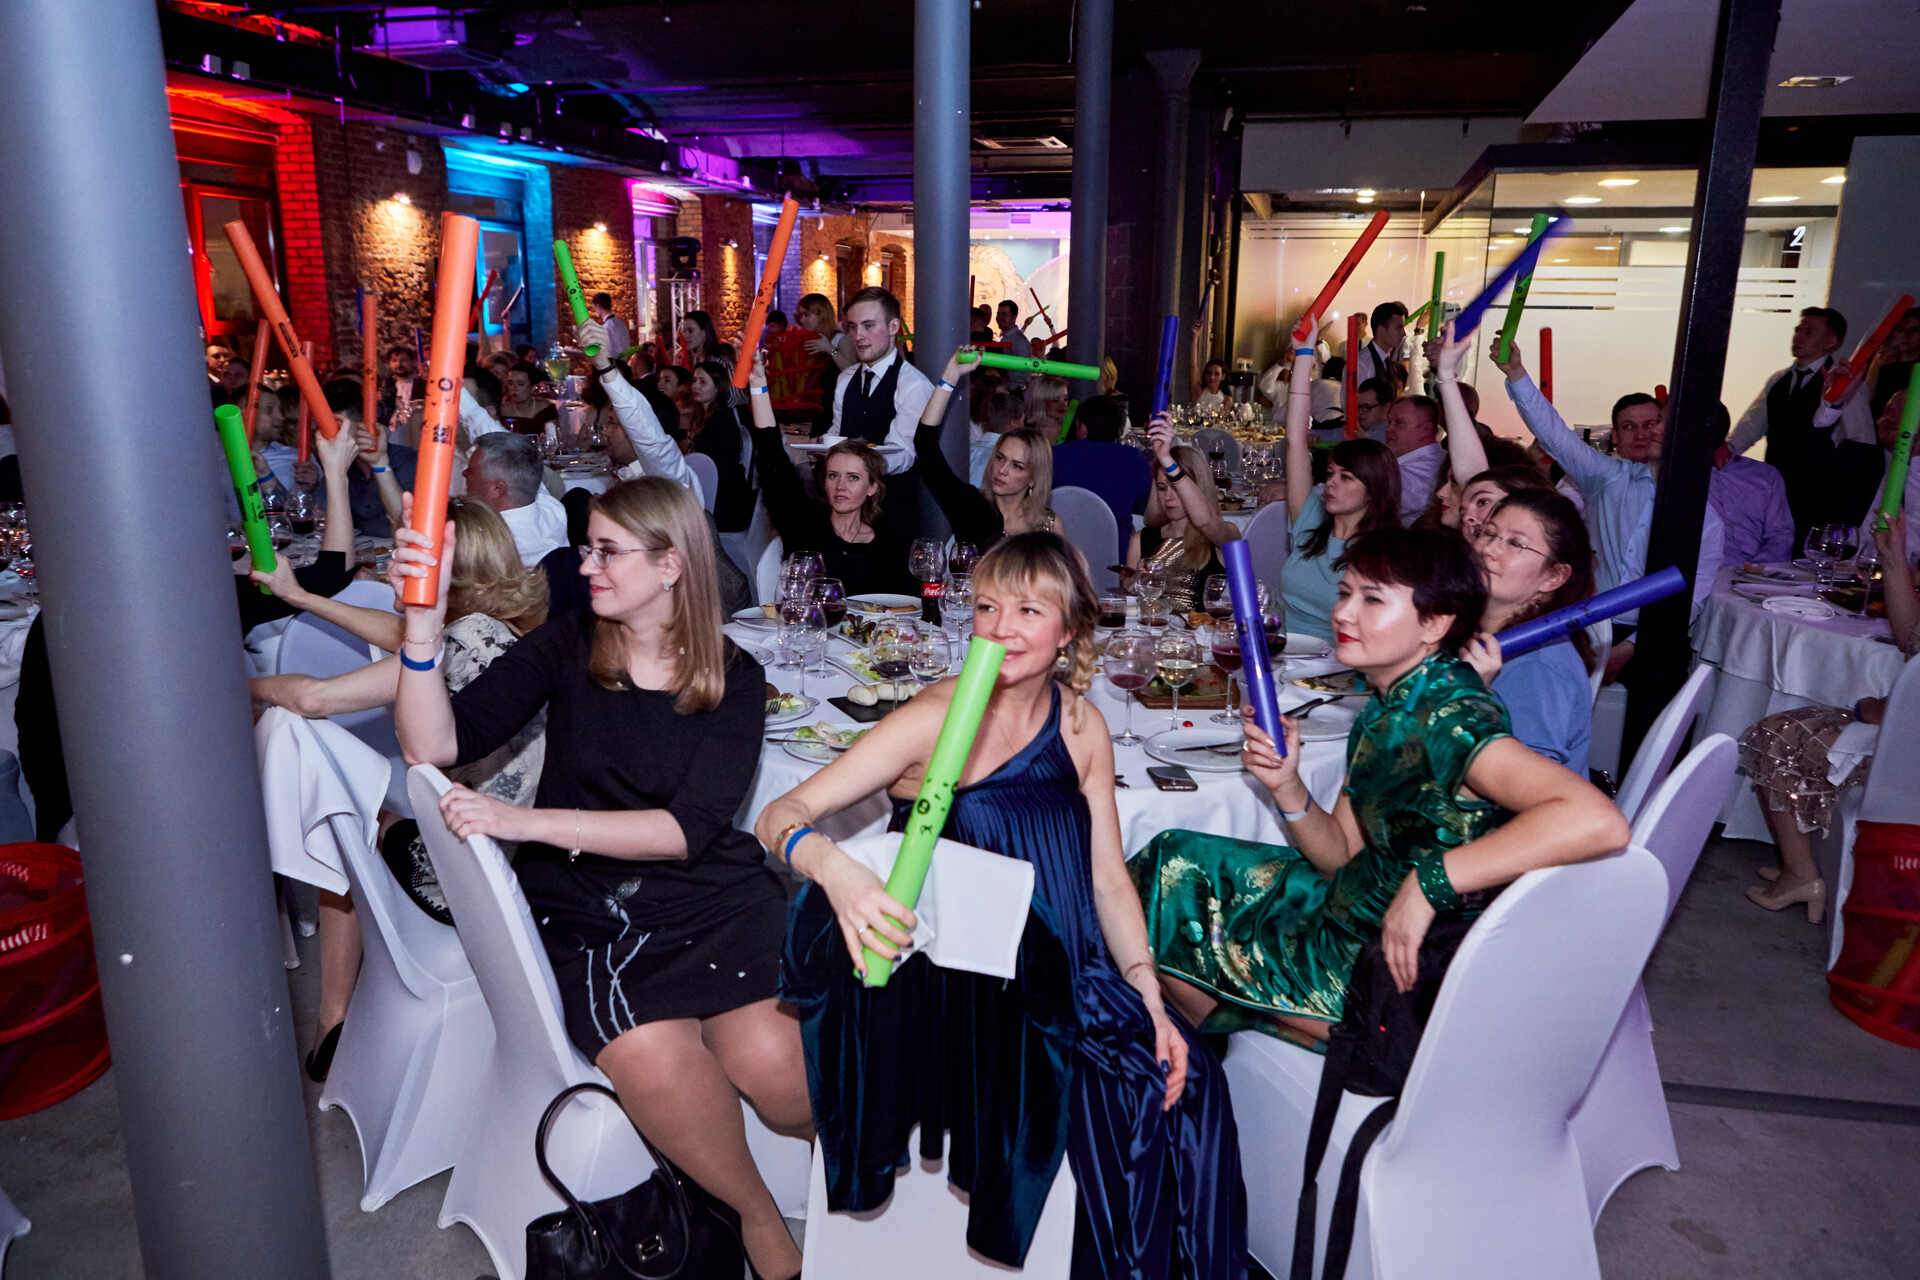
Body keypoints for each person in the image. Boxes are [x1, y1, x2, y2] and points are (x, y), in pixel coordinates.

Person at [759, 532, 1246, 1277]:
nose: (1001, 628)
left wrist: (1149, 996)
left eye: (1028, 610)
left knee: (1192, 1081)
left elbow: (1107, 881)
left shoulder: (1080, 724)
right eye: (987, 607)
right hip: (975, 988)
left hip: (1076, 973)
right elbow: (780, 814)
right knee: (1112, 1104)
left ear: (1069, 631)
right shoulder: (936, 716)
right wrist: (837, 871)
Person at [392, 477, 811, 1280]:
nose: (585, 566)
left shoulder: (735, 677)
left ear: (670, 565)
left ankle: (848, 1173)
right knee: (653, 1057)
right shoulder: (567, 644)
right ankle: (759, 1220)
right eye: (587, 548)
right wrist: (420, 624)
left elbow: (685, 832)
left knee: (777, 1070)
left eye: (607, 552)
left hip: (708, 896)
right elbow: (435, 744)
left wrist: (526, 822)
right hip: (586, 904)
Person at [1130, 526, 1630, 1042]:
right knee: (1170, 861)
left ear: (1435, 623)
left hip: (1385, 965)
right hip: (1349, 904)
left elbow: (1597, 820)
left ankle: (1235, 1051)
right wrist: (1287, 787)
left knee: (1163, 904)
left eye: (1372, 599)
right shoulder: (1387, 707)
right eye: (1346, 593)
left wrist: (1431, 881)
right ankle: (1218, 1049)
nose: (1344, 614)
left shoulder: (1448, 716)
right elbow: (1341, 855)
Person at [251, 499, 549, 1078]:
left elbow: (313, 697)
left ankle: (332, 1019)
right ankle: (335, 1020)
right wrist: (304, 598)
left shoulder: (456, 645)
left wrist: (237, 685)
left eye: (403, 556)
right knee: (365, 808)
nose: (391, 565)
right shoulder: (501, 633)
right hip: (515, 853)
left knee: (345, 815)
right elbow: (400, 635)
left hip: (478, 882)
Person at [1492, 337, 1725, 678]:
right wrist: (1516, 374)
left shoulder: (1707, 521)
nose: (1653, 431)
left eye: (1662, 422)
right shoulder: (1610, 478)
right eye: (1657, 421)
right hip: (1587, 622)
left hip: (1652, 637)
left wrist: (1629, 648)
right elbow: (1555, 436)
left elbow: (1692, 600)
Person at [1740, 513, 1919, 920]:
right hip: (1901, 733)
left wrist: (1871, 710)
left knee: (1778, 736)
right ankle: (1799, 866)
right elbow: (1911, 639)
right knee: (1793, 725)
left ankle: (1801, 875)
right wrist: (1893, 559)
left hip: (1907, 759)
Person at [747, 350, 916, 597]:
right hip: (809, 621)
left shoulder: (888, 543)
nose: (840, 486)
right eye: (833, 475)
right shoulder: (805, 525)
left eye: (853, 477)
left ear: (872, 487)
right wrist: (758, 384)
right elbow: (772, 461)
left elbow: (904, 604)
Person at [1458, 488, 1598, 777]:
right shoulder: (1483, 633)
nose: (1488, 549)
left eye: (1515, 544)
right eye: (1488, 533)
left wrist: (1475, 701)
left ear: (1553, 577)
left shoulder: (1538, 665)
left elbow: (1526, 786)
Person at [1279, 321, 1402, 641]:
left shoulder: (1383, 554)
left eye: (1346, 478)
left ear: (1374, 490)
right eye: (1331, 473)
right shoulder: (1311, 520)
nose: (1331, 483)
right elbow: (1296, 440)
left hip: (1338, 663)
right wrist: (1304, 353)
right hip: (1280, 651)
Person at [1725, 306, 1876, 541]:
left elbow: (1861, 442)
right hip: (1777, 484)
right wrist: (1725, 454)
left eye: (1808, 332)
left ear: (1831, 341)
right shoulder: (1779, 380)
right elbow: (1751, 425)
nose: (1798, 337)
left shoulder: (1845, 383)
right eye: (1798, 330)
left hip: (1820, 488)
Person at [912, 350, 1057, 548]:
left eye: (1017, 466)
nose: (1002, 470)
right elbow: (924, 445)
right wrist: (950, 376)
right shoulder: (972, 506)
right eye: (1000, 458)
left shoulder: (1047, 524)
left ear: (1034, 477)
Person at [1134, 416, 1240, 616]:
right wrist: (1132, 583)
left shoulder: (1220, 537)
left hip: (1202, 633)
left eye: (1177, 488)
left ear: (1196, 489)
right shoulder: (1142, 539)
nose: (1168, 497)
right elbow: (1132, 604)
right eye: (1162, 488)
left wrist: (1167, 459)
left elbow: (1205, 520)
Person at [830, 286, 930, 473]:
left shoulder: (914, 385)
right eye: (853, 326)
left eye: (868, 326)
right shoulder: (845, 378)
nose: (858, 335)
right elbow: (837, 432)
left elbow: (904, 453)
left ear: (893, 327)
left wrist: (860, 467)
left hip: (892, 489)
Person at [1053, 392, 1152, 565]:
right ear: (1120, 429)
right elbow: (1144, 509)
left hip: (1059, 555)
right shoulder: (1134, 459)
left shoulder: (1056, 455)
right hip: (1115, 559)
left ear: (1082, 427)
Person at [1707, 401, 1796, 566]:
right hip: (1705, 573)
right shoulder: (1680, 478)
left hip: (1755, 574)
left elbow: (1781, 536)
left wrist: (1754, 568)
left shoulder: (1766, 476)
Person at [462, 432, 569, 566]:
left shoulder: (488, 542)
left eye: (471, 471)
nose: (463, 473)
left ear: (497, 489)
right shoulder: (553, 508)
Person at [687, 360, 755, 552]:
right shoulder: (704, 416)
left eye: (702, 382)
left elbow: (722, 465)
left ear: (717, 387)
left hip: (725, 500)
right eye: (694, 381)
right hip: (713, 489)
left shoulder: (722, 420)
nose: (695, 386)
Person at [1384, 394, 1445, 524]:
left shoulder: (1421, 472)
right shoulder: (1440, 458)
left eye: (1399, 423)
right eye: (1389, 422)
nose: (1389, 429)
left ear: (1426, 429)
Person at [1352, 302, 1408, 392]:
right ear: (1381, 330)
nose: (1404, 333)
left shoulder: (1388, 362)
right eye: (1398, 328)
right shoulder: (1361, 364)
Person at [498, 364, 558, 436]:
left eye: (520, 384)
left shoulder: (546, 409)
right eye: (510, 384)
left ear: (532, 387)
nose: (514, 388)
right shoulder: (501, 411)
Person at [995, 298, 1034, 387]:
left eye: (1004, 314)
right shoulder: (1007, 338)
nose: (999, 318)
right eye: (998, 314)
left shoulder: (1020, 342)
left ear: (1014, 317)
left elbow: (1024, 373)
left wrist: (1009, 387)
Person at [588, 291, 630, 361]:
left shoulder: (606, 327)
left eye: (594, 307)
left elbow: (603, 353)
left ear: (598, 306)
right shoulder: (621, 324)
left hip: (613, 364)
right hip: (623, 364)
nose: (594, 311)